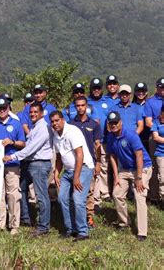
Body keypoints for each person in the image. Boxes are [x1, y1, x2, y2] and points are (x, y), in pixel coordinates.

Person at [4, 102, 53, 236]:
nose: (32, 114)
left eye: (35, 112)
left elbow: (30, 149)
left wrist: (12, 157)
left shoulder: (43, 128)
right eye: (31, 112)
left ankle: (43, 226)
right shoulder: (35, 127)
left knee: (41, 196)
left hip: (40, 164)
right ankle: (26, 218)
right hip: (31, 164)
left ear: (42, 113)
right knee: (22, 187)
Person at [107, 111, 153, 241]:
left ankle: (142, 231)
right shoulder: (110, 137)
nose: (114, 125)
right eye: (111, 123)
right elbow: (112, 156)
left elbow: (139, 156)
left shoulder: (131, 135)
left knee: (139, 196)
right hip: (125, 169)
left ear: (120, 122)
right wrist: (116, 176)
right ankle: (124, 222)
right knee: (117, 194)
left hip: (142, 168)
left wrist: (138, 178)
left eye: (116, 122)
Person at [0, 94, 25, 235]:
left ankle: (14, 225)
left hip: (12, 164)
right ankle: (0, 224)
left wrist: (12, 142)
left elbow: (23, 143)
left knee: (13, 195)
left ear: (9, 108)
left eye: (4, 108)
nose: (2, 110)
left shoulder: (16, 123)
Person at [50, 111, 95, 241]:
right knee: (62, 198)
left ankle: (83, 231)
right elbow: (59, 157)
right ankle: (70, 229)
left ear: (63, 120)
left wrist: (76, 177)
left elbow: (80, 155)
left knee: (78, 199)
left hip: (83, 168)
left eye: (57, 120)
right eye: (52, 121)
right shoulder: (55, 135)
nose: (55, 123)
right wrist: (57, 174)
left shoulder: (73, 132)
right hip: (68, 170)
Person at [69, 96, 102, 228]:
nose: (80, 108)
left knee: (89, 191)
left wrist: (98, 163)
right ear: (75, 107)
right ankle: (76, 219)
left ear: (87, 107)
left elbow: (97, 145)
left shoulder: (94, 124)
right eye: (78, 106)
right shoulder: (71, 124)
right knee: (75, 191)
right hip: (74, 163)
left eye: (83, 105)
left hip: (90, 163)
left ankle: (89, 217)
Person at [88, 77, 112, 205]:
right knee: (94, 166)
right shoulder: (86, 102)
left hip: (105, 138)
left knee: (104, 165)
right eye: (94, 88)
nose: (96, 90)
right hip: (91, 140)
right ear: (91, 89)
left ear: (102, 89)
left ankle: (105, 191)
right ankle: (94, 193)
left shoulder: (107, 102)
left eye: (98, 88)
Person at [150, 107, 164, 206]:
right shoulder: (156, 122)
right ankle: (162, 198)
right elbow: (155, 137)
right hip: (161, 153)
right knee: (162, 177)